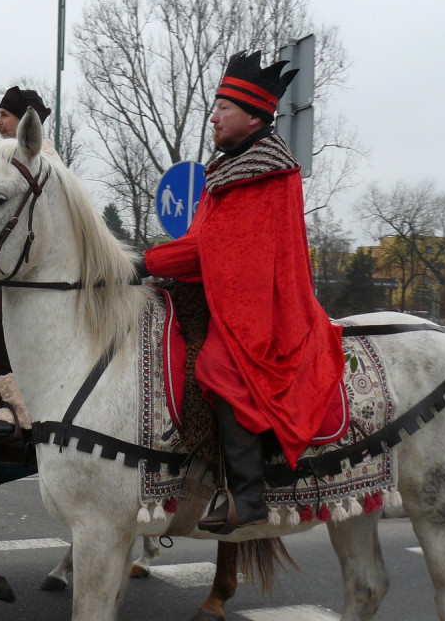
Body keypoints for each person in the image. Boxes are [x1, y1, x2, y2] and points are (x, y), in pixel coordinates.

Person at [137, 50, 345, 533]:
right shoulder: (232, 167)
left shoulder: (263, 171)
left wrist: (143, 262)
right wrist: (155, 265)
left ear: (253, 116)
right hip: (233, 295)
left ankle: (248, 496)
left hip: (265, 308)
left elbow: (212, 250)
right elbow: (201, 245)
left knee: (217, 365)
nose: (212, 116)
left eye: (222, 108)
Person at [0, 86, 57, 442]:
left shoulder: (44, 162)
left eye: (4, 115)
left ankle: (10, 404)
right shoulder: (0, 158)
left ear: (23, 121)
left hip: (33, 270)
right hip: (0, 260)